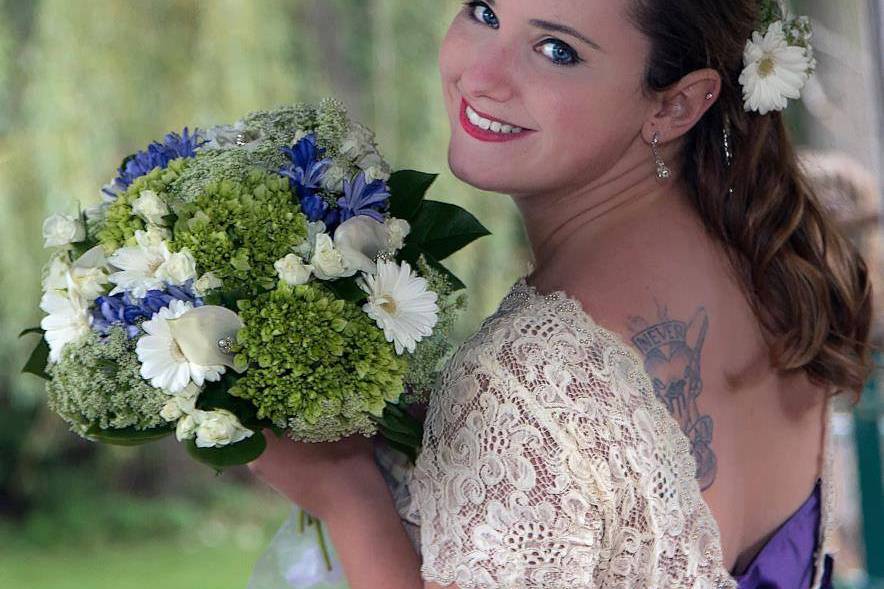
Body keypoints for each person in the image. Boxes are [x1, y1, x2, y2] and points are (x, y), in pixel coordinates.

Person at [247, 1, 877, 587]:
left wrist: (345, 493)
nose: (482, 76)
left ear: (676, 106)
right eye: (485, 11)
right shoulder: (778, 274)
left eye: (556, 50)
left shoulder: (521, 383)